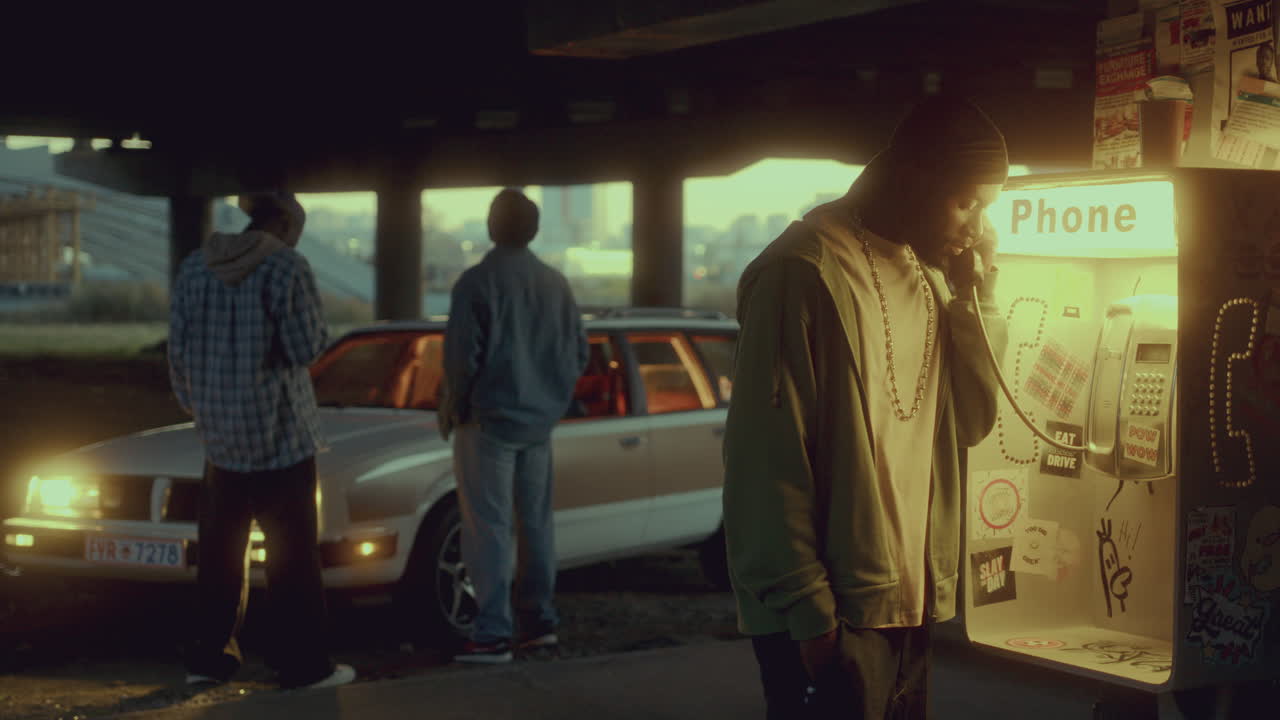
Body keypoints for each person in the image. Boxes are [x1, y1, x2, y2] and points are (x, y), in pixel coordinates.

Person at [721, 96, 1010, 719]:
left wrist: (975, 295)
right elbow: (766, 460)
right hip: (831, 615)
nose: (978, 226)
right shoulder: (801, 273)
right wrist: (810, 614)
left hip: (908, 601)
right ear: (911, 180)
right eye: (967, 202)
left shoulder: (934, 278)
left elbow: (975, 420)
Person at [169, 191, 355, 690]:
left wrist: (206, 410)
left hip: (221, 442)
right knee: (291, 556)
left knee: (219, 556)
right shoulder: (287, 268)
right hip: (281, 438)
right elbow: (304, 347)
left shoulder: (194, 268)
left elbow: (178, 354)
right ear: (288, 223)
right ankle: (304, 664)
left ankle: (208, 661)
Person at [440, 188, 589, 664]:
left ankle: (492, 634)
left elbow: (461, 360)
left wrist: (455, 408)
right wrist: (551, 402)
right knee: (537, 526)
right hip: (538, 425)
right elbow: (579, 354)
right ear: (535, 230)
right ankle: (539, 624)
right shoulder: (556, 284)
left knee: (488, 529)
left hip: (487, 423)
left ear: (490, 225)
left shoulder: (475, 283)